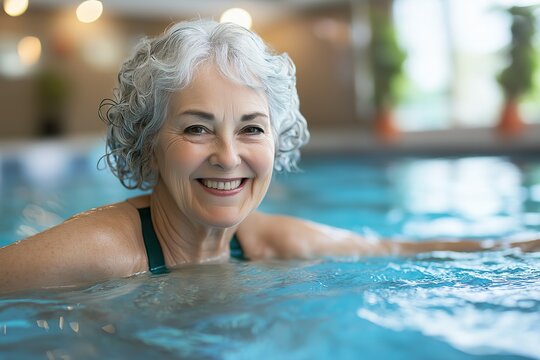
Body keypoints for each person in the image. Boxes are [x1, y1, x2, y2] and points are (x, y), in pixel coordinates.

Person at [1, 20, 538, 295]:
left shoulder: (264, 243)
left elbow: (397, 247)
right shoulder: (102, 251)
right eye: (196, 128)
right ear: (147, 147)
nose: (229, 155)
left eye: (251, 128)